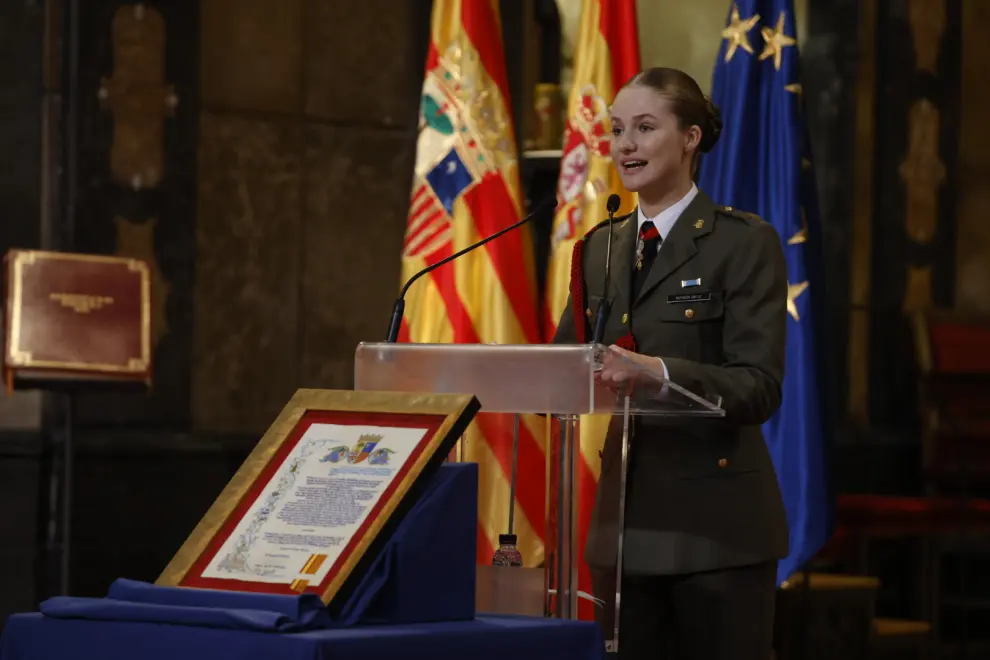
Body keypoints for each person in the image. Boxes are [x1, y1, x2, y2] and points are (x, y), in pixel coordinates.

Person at [552, 67, 789, 660]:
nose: (624, 144)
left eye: (645, 127)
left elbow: (757, 388)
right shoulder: (600, 247)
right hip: (623, 537)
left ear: (690, 139)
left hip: (715, 534)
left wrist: (656, 372)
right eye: (616, 129)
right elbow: (560, 364)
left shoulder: (743, 243)